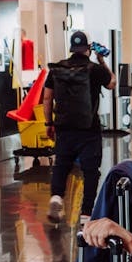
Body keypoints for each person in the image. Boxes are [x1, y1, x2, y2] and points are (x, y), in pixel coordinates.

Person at [44, 31, 116, 225]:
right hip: (88, 129)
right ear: (87, 49)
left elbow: (47, 97)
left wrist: (48, 123)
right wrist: (101, 60)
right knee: (91, 170)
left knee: (62, 165)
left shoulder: (57, 69)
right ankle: (85, 213)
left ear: (71, 48)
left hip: (64, 127)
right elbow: (112, 83)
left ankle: (57, 197)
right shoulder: (94, 69)